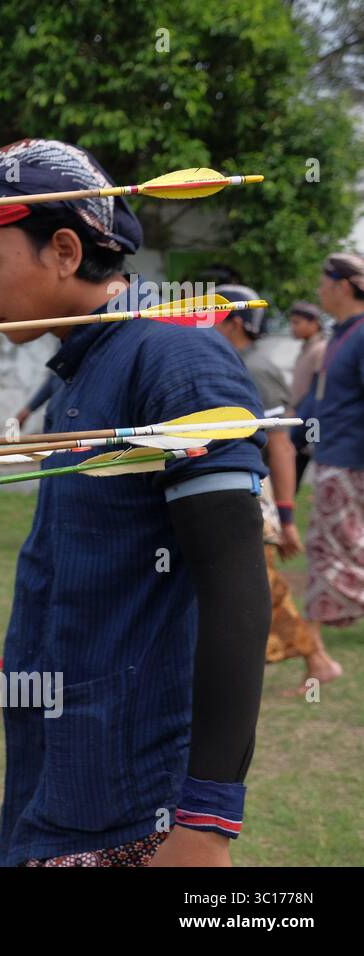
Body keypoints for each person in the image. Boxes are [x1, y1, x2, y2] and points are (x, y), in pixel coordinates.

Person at [0, 139, 269, 867]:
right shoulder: (83, 367)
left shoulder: (172, 360)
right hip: (68, 776)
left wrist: (207, 824)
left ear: (64, 250)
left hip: (135, 812)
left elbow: (237, 590)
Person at [214, 287, 317, 668]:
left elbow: (282, 446)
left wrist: (286, 517)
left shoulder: (255, 369)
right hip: (235, 493)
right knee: (258, 584)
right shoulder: (233, 360)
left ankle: (313, 657)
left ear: (235, 322)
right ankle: (315, 658)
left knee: (259, 584)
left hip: (255, 495)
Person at [298, 252, 364, 693]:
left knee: (347, 554)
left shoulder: (360, 336)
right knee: (324, 552)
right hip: (331, 458)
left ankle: (317, 660)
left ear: (342, 285)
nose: (318, 291)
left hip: (348, 463)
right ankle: (317, 661)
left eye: (323, 282)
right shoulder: (342, 336)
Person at [288, 301, 327, 489]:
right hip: (297, 417)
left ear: (313, 323)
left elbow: (317, 392)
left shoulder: (321, 349)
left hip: (307, 421)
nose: (292, 327)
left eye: (297, 322)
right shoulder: (306, 348)